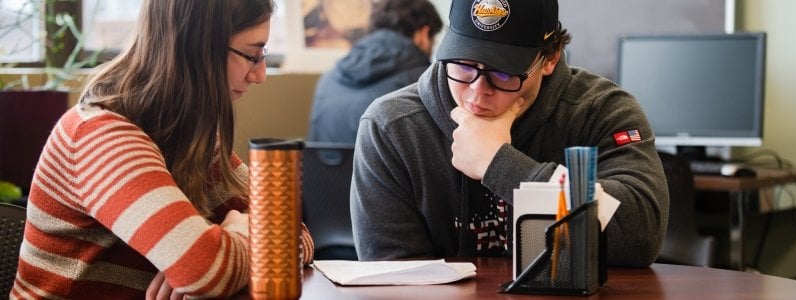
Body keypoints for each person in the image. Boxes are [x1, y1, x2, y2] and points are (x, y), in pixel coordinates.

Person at [10, 0, 314, 299]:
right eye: (251, 55)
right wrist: (239, 234)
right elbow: (205, 272)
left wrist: (223, 246)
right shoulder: (101, 137)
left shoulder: (193, 137)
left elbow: (298, 233)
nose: (259, 75)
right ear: (196, 46)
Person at [350, 0, 668, 267]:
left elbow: (640, 237)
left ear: (550, 57)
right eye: (462, 65)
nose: (476, 92)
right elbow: (392, 276)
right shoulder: (391, 126)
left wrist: (500, 165)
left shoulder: (600, 110)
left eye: (502, 73)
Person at [307, 0, 443, 144]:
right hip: (383, 166)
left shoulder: (329, 78)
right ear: (423, 34)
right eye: (433, 40)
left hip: (325, 166)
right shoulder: (424, 82)